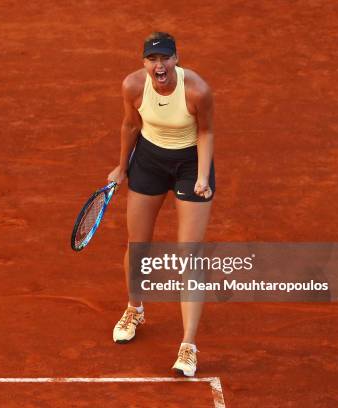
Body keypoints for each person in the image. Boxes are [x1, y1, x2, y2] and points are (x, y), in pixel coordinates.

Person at [107, 32, 215, 377]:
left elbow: (206, 132)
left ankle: (188, 346)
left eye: (165, 58)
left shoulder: (197, 90)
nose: (159, 66)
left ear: (176, 59)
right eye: (153, 60)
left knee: (190, 253)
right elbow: (130, 124)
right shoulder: (133, 86)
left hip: (189, 165)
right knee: (137, 245)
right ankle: (134, 308)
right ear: (144, 63)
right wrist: (122, 167)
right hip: (149, 162)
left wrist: (201, 176)